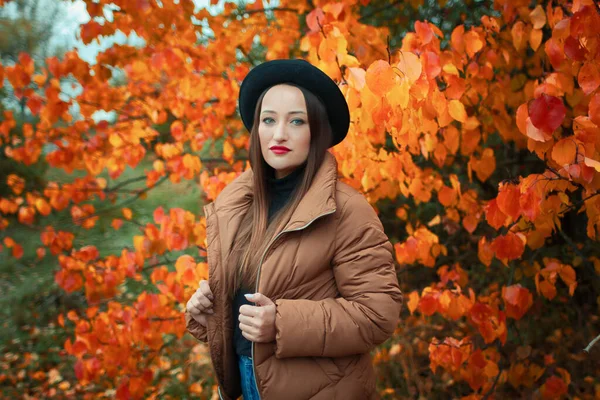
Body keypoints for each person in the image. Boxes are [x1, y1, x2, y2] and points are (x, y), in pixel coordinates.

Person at [185, 59, 403, 400]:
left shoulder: (345, 210)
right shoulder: (237, 206)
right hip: (248, 385)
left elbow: (377, 314)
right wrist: (209, 311)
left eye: (296, 121)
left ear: (317, 131)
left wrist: (282, 323)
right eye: (268, 120)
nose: (279, 133)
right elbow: (244, 312)